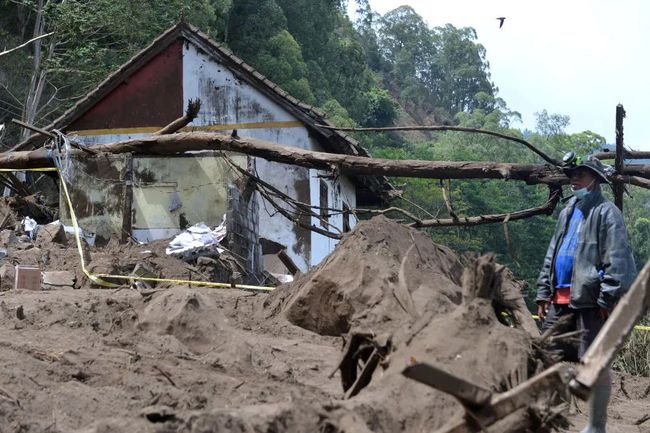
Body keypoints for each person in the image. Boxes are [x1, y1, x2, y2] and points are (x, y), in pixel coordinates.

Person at [536, 155, 636, 433]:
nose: (574, 179)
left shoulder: (607, 212)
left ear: (595, 178)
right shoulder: (568, 210)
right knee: (546, 357)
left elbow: (617, 259)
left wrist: (608, 299)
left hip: (591, 302)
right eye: (572, 175)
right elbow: (552, 253)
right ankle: (546, 418)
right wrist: (544, 291)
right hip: (559, 300)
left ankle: (595, 426)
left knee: (594, 363)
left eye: (580, 174)